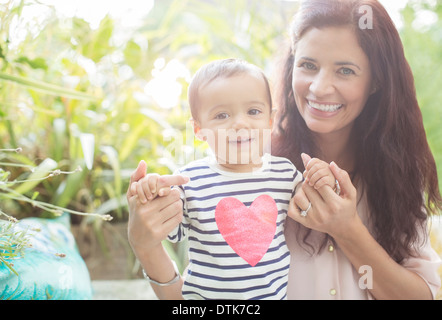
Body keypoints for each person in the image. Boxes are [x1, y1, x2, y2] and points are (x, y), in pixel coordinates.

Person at [127, 0, 442, 300]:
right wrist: (144, 244)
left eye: (345, 70)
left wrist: (347, 230)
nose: (319, 88)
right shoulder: (247, 168)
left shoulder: (395, 175)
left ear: (376, 82)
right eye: (308, 65)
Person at [130, 58, 337, 299]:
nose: (240, 123)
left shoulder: (285, 173)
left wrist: (324, 179)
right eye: (221, 115)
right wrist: (152, 194)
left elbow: (316, 205)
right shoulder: (189, 181)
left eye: (253, 111)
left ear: (269, 121)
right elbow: (167, 230)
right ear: (198, 130)